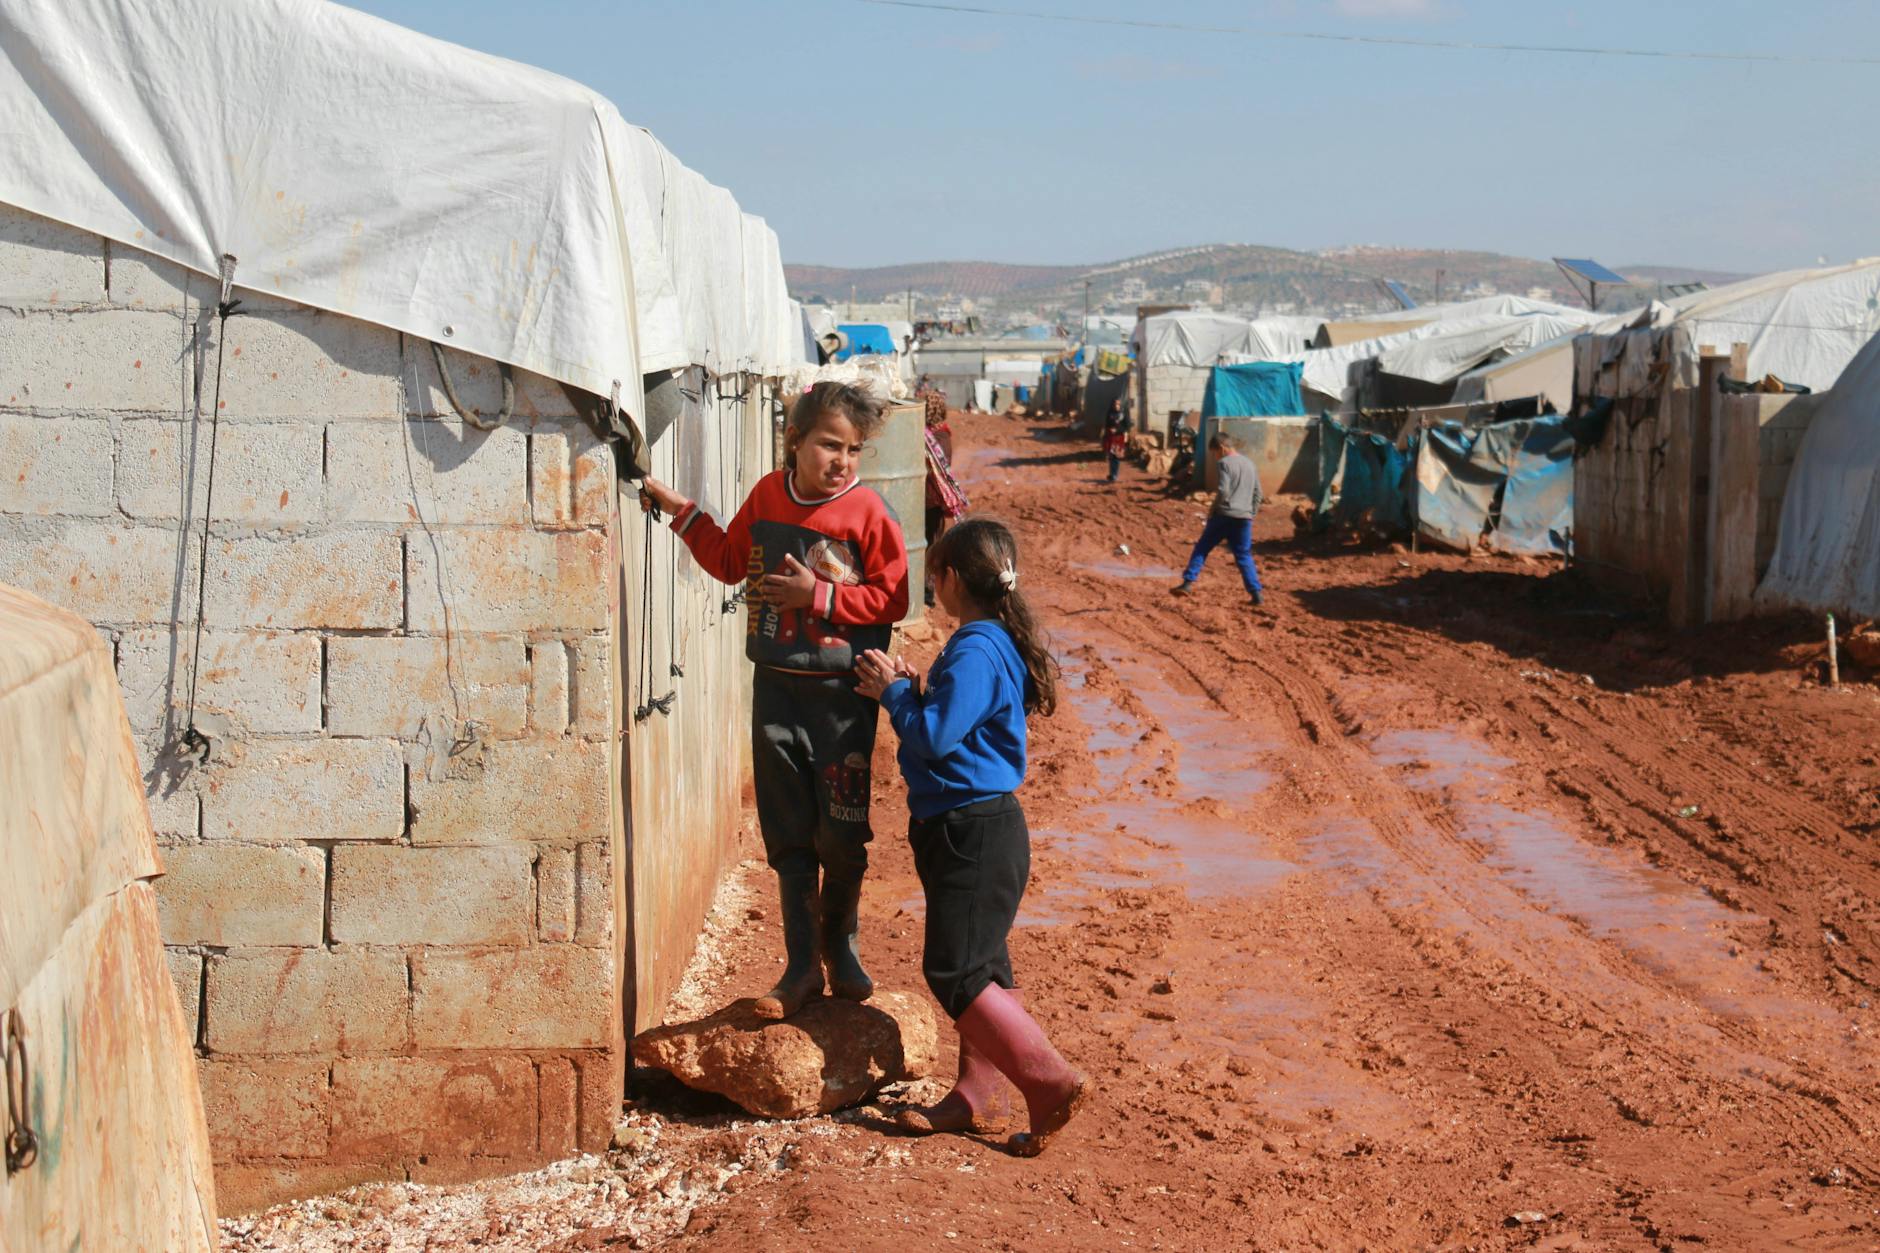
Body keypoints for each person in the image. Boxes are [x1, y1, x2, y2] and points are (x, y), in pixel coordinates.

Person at [640, 382, 910, 1020]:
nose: (842, 461)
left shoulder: (869, 512)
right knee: (788, 831)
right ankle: (800, 968)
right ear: (794, 441)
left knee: (841, 829)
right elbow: (730, 561)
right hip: (777, 692)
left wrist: (819, 596)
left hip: (842, 699)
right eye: (829, 445)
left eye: (853, 449)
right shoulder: (767, 496)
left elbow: (894, 598)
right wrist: (681, 511)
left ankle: (841, 950)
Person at [855, 518, 1090, 1157]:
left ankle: (1048, 1080)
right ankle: (977, 1095)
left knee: (955, 970)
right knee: (984, 963)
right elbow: (958, 721)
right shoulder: (992, 641)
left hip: (971, 829)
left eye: (935, 576)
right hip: (979, 826)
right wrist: (915, 691)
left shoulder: (975, 648)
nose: (934, 587)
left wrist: (893, 695)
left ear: (953, 578)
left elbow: (934, 737)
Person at [1171, 430, 1265, 607]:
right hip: (1244, 518)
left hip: (1224, 515)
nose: (1215, 457)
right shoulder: (1250, 464)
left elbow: (1224, 491)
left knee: (1202, 548)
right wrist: (1251, 513)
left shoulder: (1224, 463)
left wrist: (1213, 509)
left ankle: (1187, 583)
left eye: (1215, 453)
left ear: (1222, 448)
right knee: (1244, 556)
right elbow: (1258, 493)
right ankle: (1256, 594)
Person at [923, 393, 969, 607]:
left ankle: (926, 593)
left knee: (928, 546)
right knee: (929, 545)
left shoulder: (933, 437)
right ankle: (925, 591)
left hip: (928, 502)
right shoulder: (941, 435)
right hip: (930, 502)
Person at [1102, 399, 1130, 483]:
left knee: (1116, 456)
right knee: (1111, 456)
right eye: (1115, 404)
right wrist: (1108, 431)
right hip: (1111, 437)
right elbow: (1107, 425)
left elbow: (1127, 427)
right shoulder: (1110, 413)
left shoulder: (1123, 414)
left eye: (1118, 404)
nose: (1116, 406)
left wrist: (1117, 430)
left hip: (1119, 437)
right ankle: (1112, 474)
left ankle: (1114, 475)